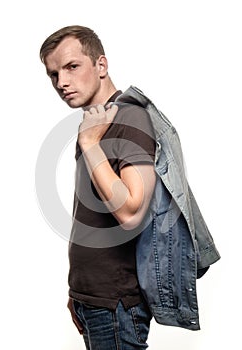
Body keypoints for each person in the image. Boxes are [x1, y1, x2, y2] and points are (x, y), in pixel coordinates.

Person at [40, 25, 157, 349]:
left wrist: (90, 143)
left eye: (71, 67)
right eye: (53, 74)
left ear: (101, 66)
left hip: (115, 302)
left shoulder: (129, 119)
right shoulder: (96, 121)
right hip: (93, 299)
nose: (61, 82)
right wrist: (79, 291)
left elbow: (131, 213)